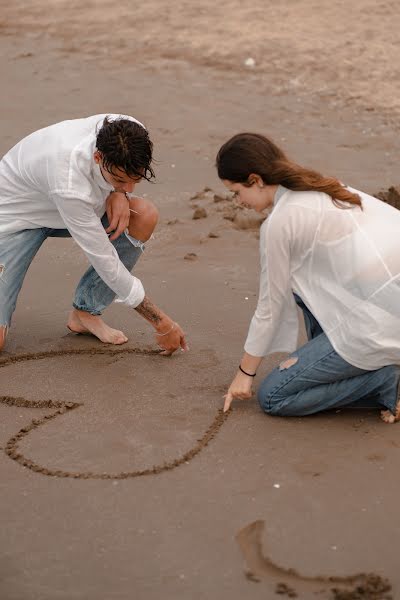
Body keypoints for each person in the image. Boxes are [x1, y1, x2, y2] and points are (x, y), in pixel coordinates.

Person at [216, 132, 400, 423]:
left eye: (236, 192)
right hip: (388, 309)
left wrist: (244, 374)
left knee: (274, 397)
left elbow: (269, 306)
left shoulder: (279, 223)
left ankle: (387, 382)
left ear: (256, 180)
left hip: (374, 328)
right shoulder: (320, 187)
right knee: (302, 281)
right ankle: (360, 366)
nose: (238, 201)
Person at [0, 114, 187, 355]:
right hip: (17, 217)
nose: (130, 187)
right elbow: (104, 260)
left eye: (135, 179)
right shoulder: (69, 181)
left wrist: (119, 193)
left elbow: (123, 181)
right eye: (120, 179)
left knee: (143, 214)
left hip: (74, 205)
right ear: (98, 158)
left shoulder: (129, 129)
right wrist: (161, 323)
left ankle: (85, 313)